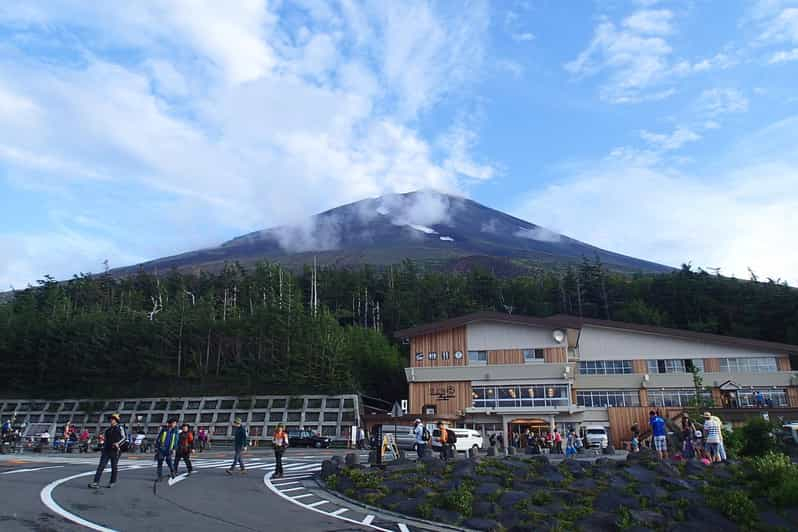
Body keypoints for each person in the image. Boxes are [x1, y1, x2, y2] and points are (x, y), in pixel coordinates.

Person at [88, 413, 125, 489]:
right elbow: (104, 439)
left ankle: (112, 482)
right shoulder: (107, 430)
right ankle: (95, 482)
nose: (111, 420)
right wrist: (101, 444)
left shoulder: (120, 428)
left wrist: (118, 444)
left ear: (116, 421)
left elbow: (124, 438)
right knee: (101, 466)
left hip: (115, 450)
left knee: (114, 466)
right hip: (106, 450)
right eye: (111, 419)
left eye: (113, 419)